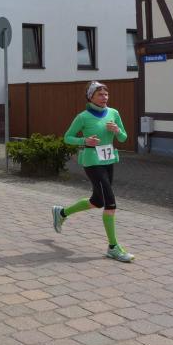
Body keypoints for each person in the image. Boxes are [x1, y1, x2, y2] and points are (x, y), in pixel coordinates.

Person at [53, 81, 133, 263]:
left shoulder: (114, 113)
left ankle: (61, 213)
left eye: (106, 94)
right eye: (100, 94)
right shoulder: (83, 117)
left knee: (97, 201)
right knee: (110, 204)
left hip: (108, 161)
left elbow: (123, 137)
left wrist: (117, 130)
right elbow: (67, 138)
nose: (104, 97)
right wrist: (85, 141)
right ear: (90, 97)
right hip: (92, 161)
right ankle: (113, 247)